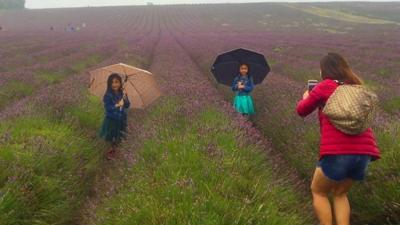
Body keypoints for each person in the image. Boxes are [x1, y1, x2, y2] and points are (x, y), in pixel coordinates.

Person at [296, 52, 380, 225]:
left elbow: (302, 111)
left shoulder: (324, 86)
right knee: (340, 194)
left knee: (318, 191)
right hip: (364, 153)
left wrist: (306, 97)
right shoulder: (357, 87)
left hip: (337, 152)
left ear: (324, 70)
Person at [100, 73, 131, 160]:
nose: (114, 84)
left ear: (120, 83)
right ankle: (109, 154)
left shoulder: (122, 93)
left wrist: (125, 98)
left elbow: (127, 105)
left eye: (116, 82)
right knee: (111, 138)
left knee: (118, 138)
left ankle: (114, 152)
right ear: (109, 84)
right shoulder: (108, 95)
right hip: (111, 120)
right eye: (112, 82)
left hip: (121, 119)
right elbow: (108, 108)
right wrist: (117, 105)